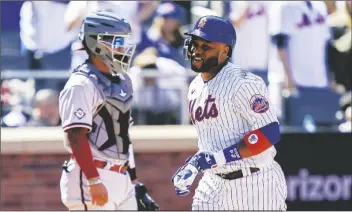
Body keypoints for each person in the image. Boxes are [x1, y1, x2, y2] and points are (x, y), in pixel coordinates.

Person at [171, 15, 287, 210]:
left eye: (205, 46)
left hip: (256, 182)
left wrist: (217, 158)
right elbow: (212, 141)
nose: (196, 50)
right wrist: (193, 166)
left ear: (225, 51)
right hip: (214, 183)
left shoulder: (244, 82)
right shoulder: (194, 87)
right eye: (194, 43)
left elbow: (269, 133)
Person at [58, 11, 159, 211]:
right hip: (91, 175)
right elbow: (75, 135)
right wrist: (94, 181)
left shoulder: (122, 81)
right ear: (97, 42)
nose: (123, 47)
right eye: (117, 41)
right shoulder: (80, 83)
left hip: (121, 176)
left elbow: (122, 135)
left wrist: (133, 180)